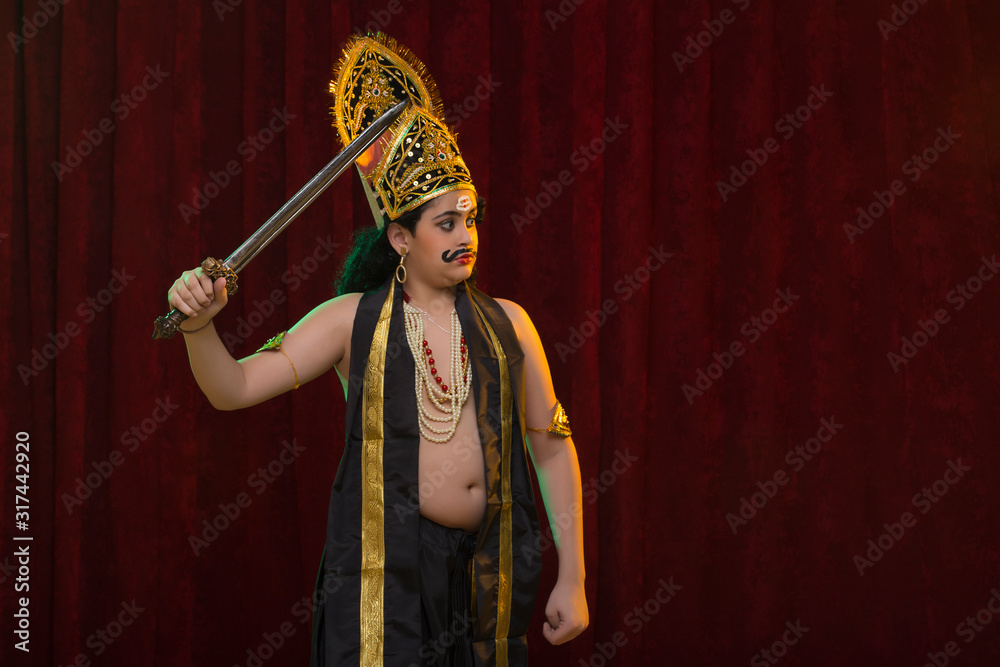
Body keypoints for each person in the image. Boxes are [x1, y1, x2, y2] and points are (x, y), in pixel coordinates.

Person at [166, 32, 587, 666]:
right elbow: (233, 390)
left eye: (470, 218)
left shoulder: (511, 326)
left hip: (487, 581)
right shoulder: (348, 323)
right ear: (399, 237)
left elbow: (553, 450)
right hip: (384, 590)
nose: (466, 236)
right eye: (446, 223)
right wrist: (200, 328)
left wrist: (574, 578)